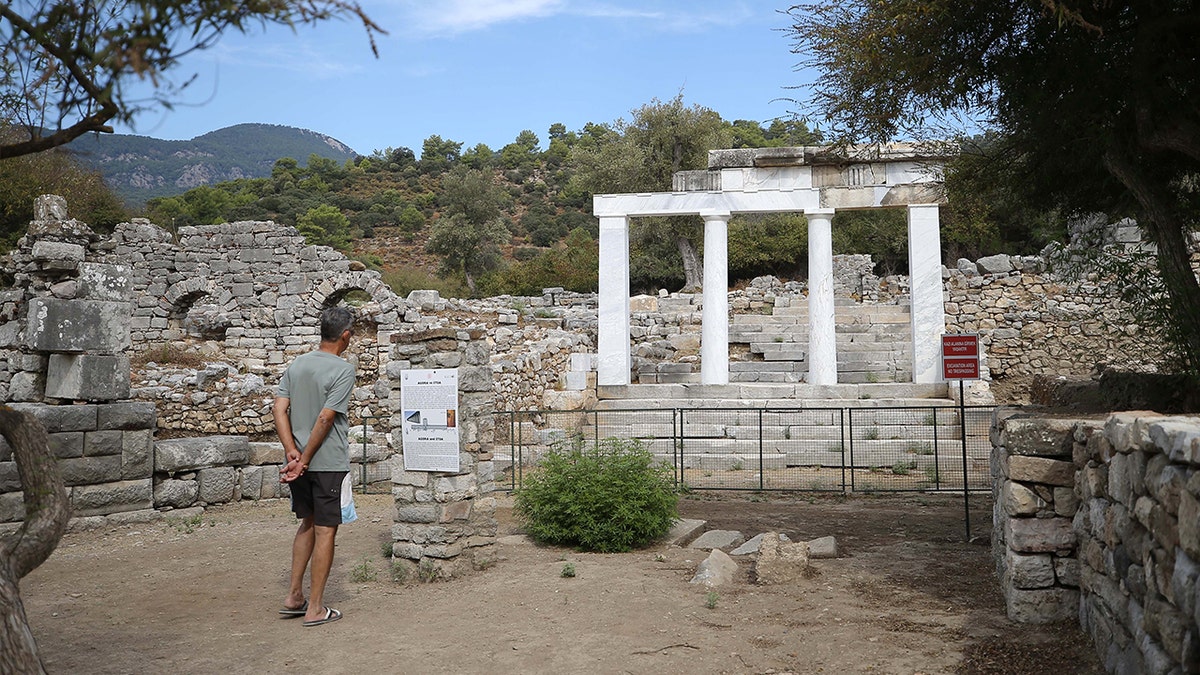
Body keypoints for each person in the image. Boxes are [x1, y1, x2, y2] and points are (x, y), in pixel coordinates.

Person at [273, 306, 356, 627]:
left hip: (297, 462)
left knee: (306, 523)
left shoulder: (297, 364)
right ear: (345, 336)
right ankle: (316, 608)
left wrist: (292, 453)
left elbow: (279, 409)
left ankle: (294, 596)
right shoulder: (343, 369)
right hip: (327, 462)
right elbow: (325, 417)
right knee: (325, 530)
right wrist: (306, 458)